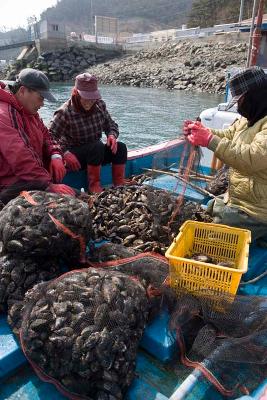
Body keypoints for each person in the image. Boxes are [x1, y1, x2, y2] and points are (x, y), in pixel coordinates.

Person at [183, 66, 267, 244]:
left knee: (210, 239)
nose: (238, 106)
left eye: (241, 100)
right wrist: (202, 132)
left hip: (258, 211)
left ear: (255, 95)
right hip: (241, 200)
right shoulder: (253, 116)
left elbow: (252, 158)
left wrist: (209, 140)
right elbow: (229, 135)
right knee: (212, 208)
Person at [0, 68, 75, 204]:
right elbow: (20, 156)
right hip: (8, 185)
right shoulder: (5, 114)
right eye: (40, 98)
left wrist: (56, 155)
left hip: (29, 178)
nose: (42, 104)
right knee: (68, 202)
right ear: (22, 91)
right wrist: (48, 185)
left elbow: (48, 136)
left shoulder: (29, 111)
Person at [49, 73, 128, 193]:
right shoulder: (64, 113)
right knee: (96, 146)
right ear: (75, 92)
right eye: (85, 98)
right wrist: (64, 153)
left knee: (120, 147)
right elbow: (49, 137)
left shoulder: (99, 105)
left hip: (96, 155)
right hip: (75, 158)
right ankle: (94, 185)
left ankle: (119, 183)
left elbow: (111, 124)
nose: (89, 102)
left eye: (92, 98)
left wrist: (111, 135)